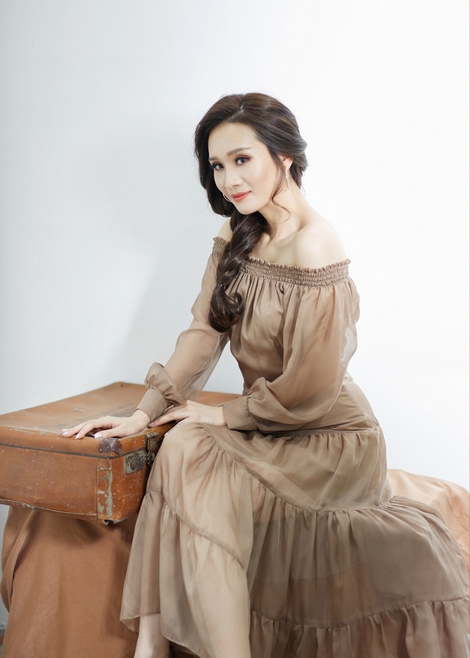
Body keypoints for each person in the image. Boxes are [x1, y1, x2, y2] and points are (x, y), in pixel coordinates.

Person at [62, 93, 469, 658]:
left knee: (190, 446)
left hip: (328, 434)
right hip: (265, 420)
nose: (229, 180)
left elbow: (313, 384)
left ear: (284, 156)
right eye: (217, 165)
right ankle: (152, 644)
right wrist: (143, 412)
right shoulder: (238, 233)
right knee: (179, 444)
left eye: (242, 159)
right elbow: (203, 333)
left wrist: (223, 414)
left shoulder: (316, 242)